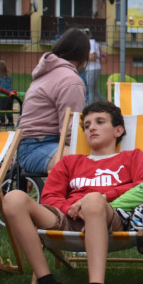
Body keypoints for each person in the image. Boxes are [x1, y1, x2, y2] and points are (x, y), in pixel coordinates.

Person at [3, 102, 143, 284]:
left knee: (93, 200)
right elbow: (50, 197)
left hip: (110, 218)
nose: (91, 128)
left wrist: (100, 197)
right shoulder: (70, 162)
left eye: (100, 122)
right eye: (86, 125)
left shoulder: (132, 157)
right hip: (68, 218)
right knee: (13, 199)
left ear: (118, 130)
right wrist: (71, 208)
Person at [16, 28, 89, 174]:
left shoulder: (46, 73)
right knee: (95, 159)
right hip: (40, 147)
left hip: (27, 146)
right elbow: (71, 130)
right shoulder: (71, 81)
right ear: (83, 56)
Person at [84, 28, 103, 105]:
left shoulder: (91, 43)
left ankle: (89, 106)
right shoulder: (93, 43)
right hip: (93, 68)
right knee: (94, 88)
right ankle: (101, 103)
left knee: (89, 88)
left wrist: (82, 56)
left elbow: (93, 57)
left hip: (93, 68)